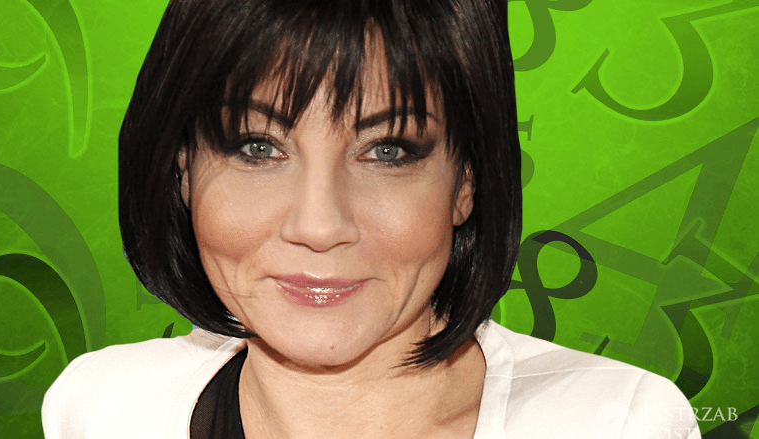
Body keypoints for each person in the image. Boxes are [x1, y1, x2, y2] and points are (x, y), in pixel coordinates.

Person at [42, 0, 701, 437]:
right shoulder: (102, 408)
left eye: (388, 150)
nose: (319, 225)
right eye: (257, 147)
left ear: (467, 179)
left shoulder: (618, 423)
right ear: (181, 168)